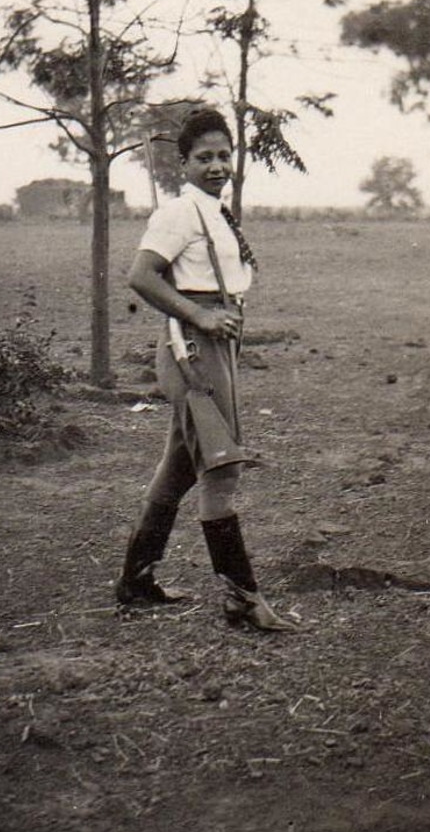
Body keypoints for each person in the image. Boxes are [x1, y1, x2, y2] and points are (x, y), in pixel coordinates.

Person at [115, 107, 295, 632]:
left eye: (223, 156)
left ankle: (136, 580)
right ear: (183, 163)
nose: (217, 166)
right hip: (194, 347)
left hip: (219, 342)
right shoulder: (178, 213)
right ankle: (242, 598)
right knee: (222, 466)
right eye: (204, 158)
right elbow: (140, 276)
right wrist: (199, 315)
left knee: (180, 462)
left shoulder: (214, 210)